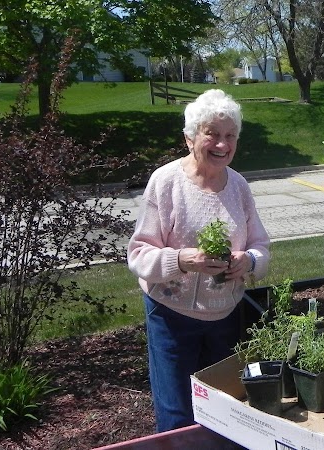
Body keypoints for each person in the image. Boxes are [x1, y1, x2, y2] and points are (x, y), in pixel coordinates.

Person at [127, 89, 270, 432]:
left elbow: (262, 247)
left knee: (222, 407)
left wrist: (247, 261)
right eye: (213, 134)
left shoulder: (238, 186)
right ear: (190, 138)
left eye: (230, 136)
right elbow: (138, 254)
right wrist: (182, 260)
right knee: (177, 411)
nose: (222, 144)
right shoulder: (166, 182)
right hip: (171, 316)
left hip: (225, 315)